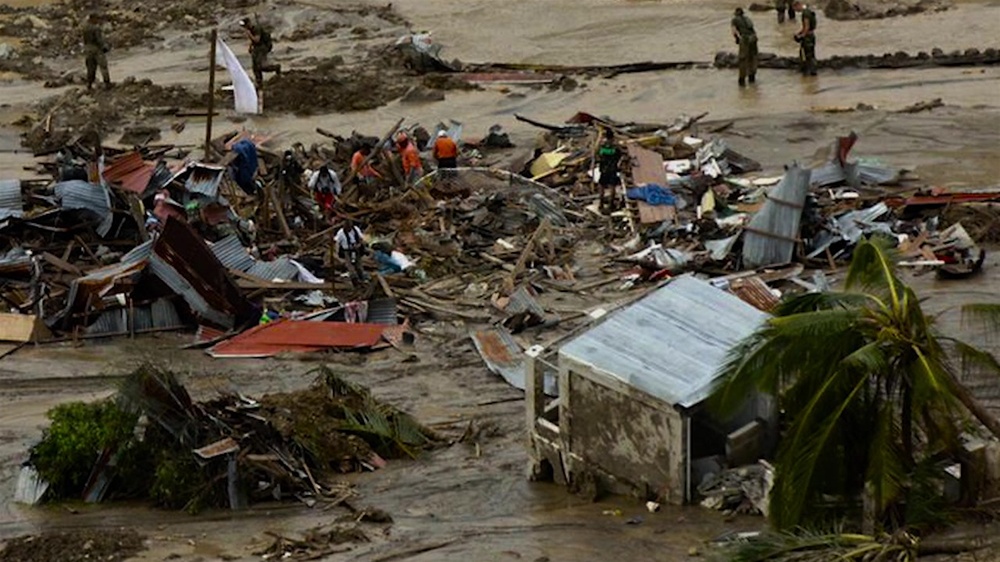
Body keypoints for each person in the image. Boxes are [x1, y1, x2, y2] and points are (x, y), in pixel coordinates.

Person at [240, 17, 281, 87]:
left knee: (260, 66)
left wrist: (249, 35)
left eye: (245, 25)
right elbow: (253, 42)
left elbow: (257, 40)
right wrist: (250, 47)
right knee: (255, 67)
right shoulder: (250, 29)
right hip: (256, 48)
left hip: (262, 48)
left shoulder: (256, 29)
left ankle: (276, 67)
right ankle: (259, 82)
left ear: (249, 23)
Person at [82, 13, 111, 91]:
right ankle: (107, 83)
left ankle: (89, 85)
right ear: (93, 19)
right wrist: (105, 47)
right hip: (96, 49)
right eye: (97, 19)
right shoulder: (96, 28)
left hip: (88, 49)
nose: (98, 20)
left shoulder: (85, 27)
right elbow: (99, 40)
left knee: (91, 68)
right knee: (103, 66)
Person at [596, 129, 622, 212]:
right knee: (612, 186)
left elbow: (597, 154)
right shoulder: (615, 147)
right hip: (612, 169)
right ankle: (610, 205)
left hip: (603, 169)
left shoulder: (602, 146)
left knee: (601, 186)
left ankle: (601, 203)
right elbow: (620, 156)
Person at [334, 219, 367, 284]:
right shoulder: (341, 232)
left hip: (356, 249)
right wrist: (336, 251)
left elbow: (361, 238)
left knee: (359, 264)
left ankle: (362, 277)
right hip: (347, 251)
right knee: (349, 265)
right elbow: (336, 242)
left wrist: (359, 244)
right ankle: (355, 279)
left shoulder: (355, 229)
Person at [731, 8, 758, 86]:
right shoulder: (747, 18)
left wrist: (737, 39)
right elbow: (753, 30)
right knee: (753, 57)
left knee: (743, 59)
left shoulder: (734, 20)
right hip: (753, 38)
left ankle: (742, 80)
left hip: (745, 39)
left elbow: (734, 30)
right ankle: (752, 77)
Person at [794, 2, 818, 76]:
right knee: (811, 54)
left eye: (795, 9)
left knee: (808, 55)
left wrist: (802, 36)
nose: (796, 11)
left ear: (798, 5)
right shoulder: (809, 11)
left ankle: (810, 72)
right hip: (811, 35)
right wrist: (799, 33)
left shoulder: (805, 14)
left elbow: (806, 27)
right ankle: (812, 71)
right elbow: (806, 27)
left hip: (808, 38)